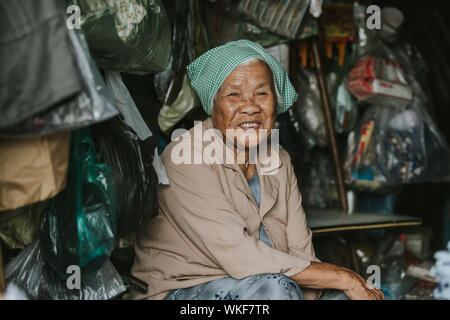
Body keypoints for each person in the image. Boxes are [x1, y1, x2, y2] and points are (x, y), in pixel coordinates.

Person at [130, 40, 385, 300]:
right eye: (233, 95)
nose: (250, 107)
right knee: (275, 289)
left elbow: (301, 252)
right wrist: (342, 277)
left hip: (270, 288)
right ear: (213, 104)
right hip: (185, 294)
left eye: (262, 94)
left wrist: (345, 288)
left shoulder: (279, 160)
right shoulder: (185, 157)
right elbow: (241, 256)